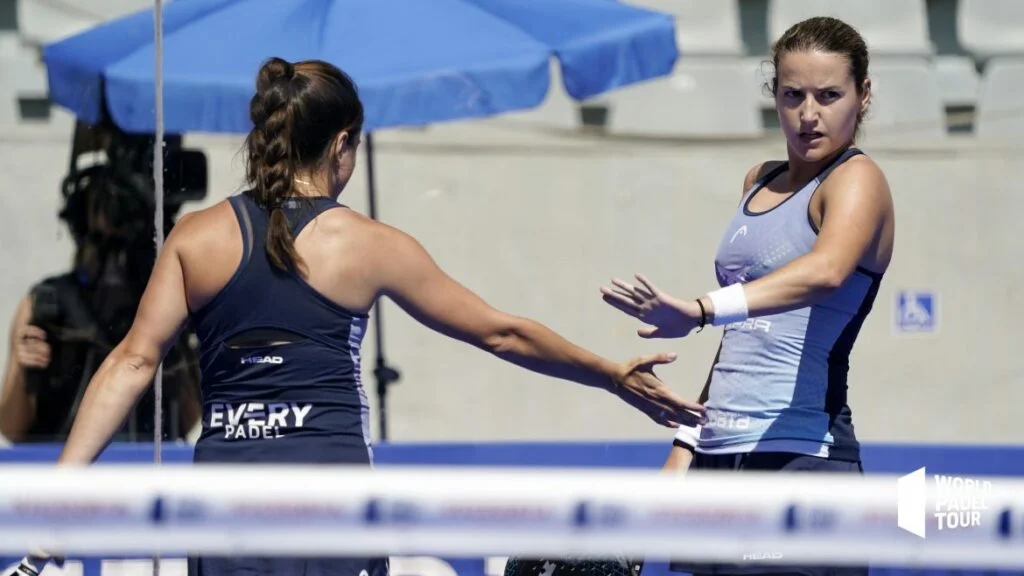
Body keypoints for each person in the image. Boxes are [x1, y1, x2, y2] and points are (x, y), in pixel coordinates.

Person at [34, 57, 703, 576]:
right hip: (332, 506)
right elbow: (501, 332)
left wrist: (55, 502)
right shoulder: (368, 244)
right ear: (342, 143)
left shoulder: (196, 237)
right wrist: (609, 373)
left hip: (224, 505)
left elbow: (131, 362)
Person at [600, 16, 894, 576]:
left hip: (801, 457)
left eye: (829, 95)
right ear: (774, 96)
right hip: (718, 460)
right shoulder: (757, 179)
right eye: (793, 95)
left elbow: (828, 271)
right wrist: (682, 454)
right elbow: (742, 339)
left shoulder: (858, 179)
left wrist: (701, 309)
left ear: (863, 95)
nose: (809, 114)